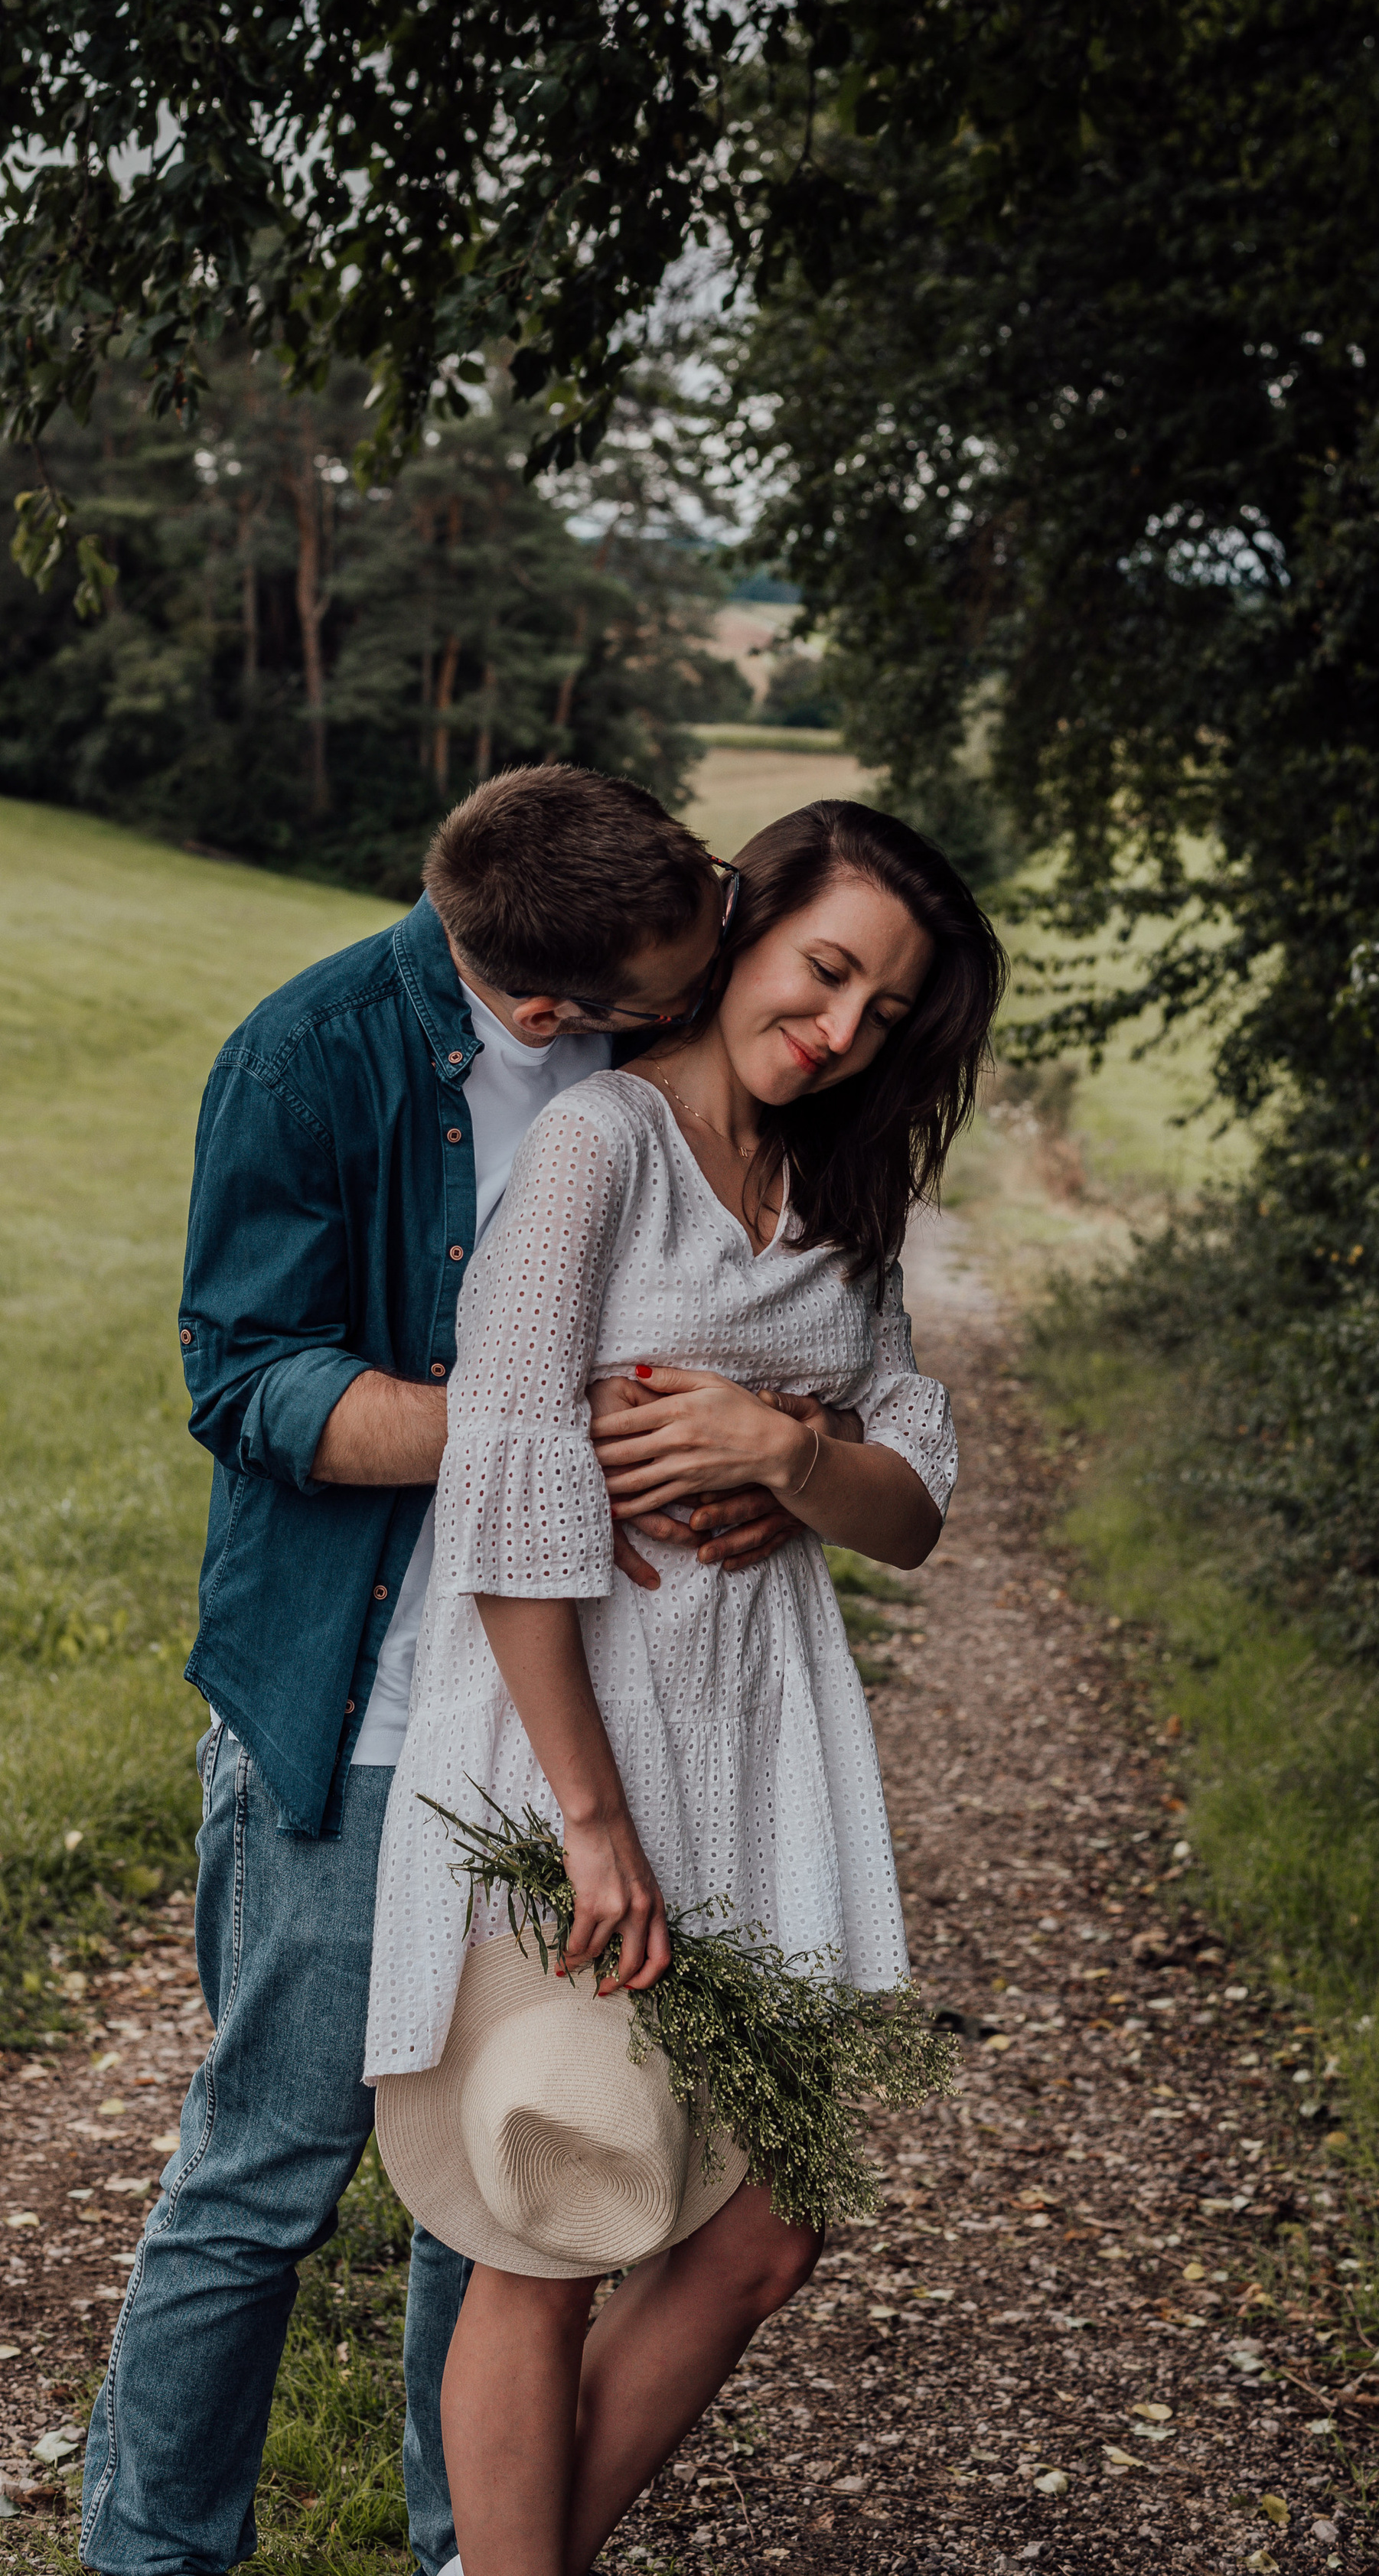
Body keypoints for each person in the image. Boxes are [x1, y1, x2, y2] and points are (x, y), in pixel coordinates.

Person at [80, 764, 817, 2576]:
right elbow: (243, 1383)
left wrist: (764, 1464)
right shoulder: (304, 1055)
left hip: (570, 1711)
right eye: (683, 965)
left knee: (498, 2194)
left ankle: (469, 2551)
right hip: (359, 1709)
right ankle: (150, 2554)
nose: (727, 969)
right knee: (263, 2179)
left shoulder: (668, 1058)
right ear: (554, 1003)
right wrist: (522, 1429)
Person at [366, 798, 1007, 2576]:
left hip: (765, 1743)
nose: (837, 1031)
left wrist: (779, 1453)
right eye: (824, 974)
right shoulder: (598, 1154)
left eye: (884, 1016)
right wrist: (588, 1822)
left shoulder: (836, 1193)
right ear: (745, 924)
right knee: (552, 2213)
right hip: (570, 1739)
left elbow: (912, 1509)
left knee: (766, 2227)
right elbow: (502, 1488)